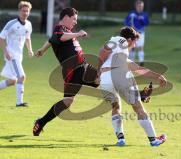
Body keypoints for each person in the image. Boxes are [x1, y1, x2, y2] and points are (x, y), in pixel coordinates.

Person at [32, 7, 99, 136]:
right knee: (67, 102)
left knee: (99, 78)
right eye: (74, 19)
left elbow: (52, 40)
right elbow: (59, 37)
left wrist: (43, 49)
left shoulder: (66, 31)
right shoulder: (60, 29)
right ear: (66, 17)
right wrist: (78, 34)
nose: (75, 22)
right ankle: (41, 122)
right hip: (72, 71)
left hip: (82, 66)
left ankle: (135, 94)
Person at [98, 26, 167, 146]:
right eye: (135, 42)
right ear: (129, 39)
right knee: (138, 108)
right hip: (116, 75)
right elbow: (103, 50)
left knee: (116, 106)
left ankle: (121, 139)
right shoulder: (120, 40)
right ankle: (153, 140)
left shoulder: (120, 57)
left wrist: (158, 76)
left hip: (105, 80)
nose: (134, 46)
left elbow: (139, 69)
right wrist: (97, 67)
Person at [0, 1, 33, 107]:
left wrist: (30, 50)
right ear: (19, 11)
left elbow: (27, 38)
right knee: (22, 76)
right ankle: (19, 103)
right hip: (11, 55)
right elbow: (1, 38)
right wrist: (5, 51)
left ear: (29, 12)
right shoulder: (12, 24)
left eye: (27, 11)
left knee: (13, 81)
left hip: (19, 56)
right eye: (23, 11)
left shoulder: (28, 24)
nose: (25, 13)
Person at [124, 0, 149, 66]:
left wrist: (141, 19)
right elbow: (126, 21)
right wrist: (129, 25)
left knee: (140, 47)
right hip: (132, 33)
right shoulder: (132, 14)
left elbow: (147, 23)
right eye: (139, 6)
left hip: (141, 33)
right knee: (132, 47)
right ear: (136, 6)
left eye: (142, 6)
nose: (140, 7)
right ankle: (131, 62)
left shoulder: (144, 14)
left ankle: (141, 63)